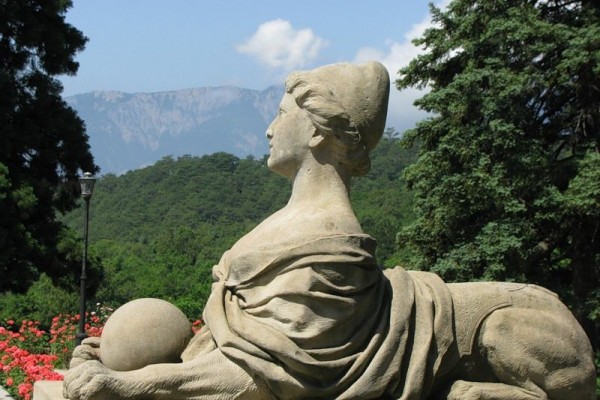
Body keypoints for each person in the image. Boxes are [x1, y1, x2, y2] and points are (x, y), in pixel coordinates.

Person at [64, 62, 595, 400]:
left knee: (502, 331)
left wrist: (135, 383)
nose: (269, 129)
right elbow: (249, 350)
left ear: (317, 131)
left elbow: (273, 378)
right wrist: (126, 360)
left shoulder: (332, 246)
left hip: (520, 330)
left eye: (280, 115)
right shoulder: (284, 228)